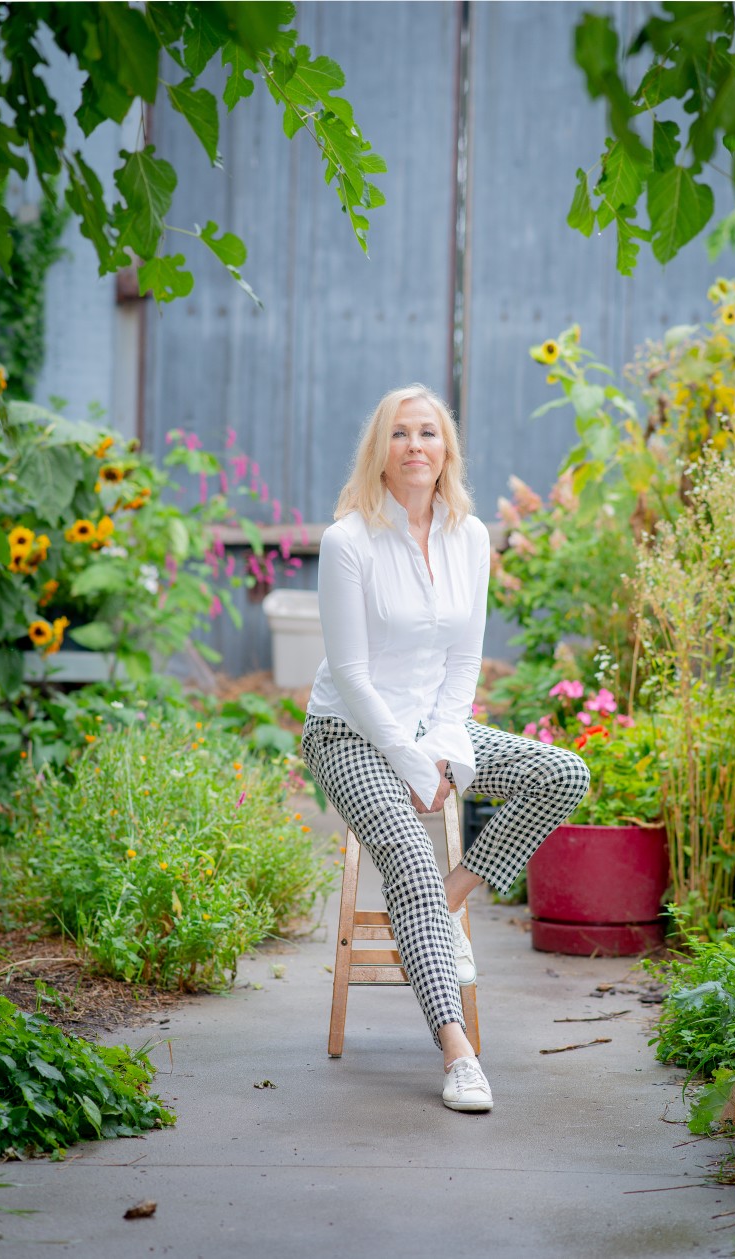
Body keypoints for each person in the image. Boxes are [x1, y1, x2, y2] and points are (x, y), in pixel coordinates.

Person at [302, 384, 590, 1113]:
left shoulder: (470, 538)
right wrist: (409, 760)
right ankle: (458, 1049)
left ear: (446, 450)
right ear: (380, 450)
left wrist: (442, 748)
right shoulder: (348, 542)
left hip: (435, 726)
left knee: (562, 771)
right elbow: (354, 677)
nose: (414, 447)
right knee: (407, 851)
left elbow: (466, 663)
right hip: (350, 733)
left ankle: (442, 902)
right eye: (399, 434)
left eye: (428, 433)